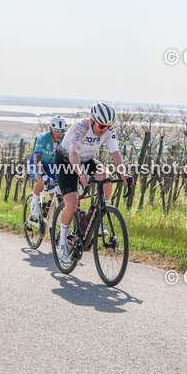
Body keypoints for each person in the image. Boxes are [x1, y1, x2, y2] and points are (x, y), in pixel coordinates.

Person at [53, 102, 130, 265]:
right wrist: (80, 173)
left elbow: (115, 153)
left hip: (87, 159)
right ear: (93, 120)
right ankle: (62, 243)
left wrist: (123, 173)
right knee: (72, 204)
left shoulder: (108, 130)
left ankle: (100, 215)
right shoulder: (80, 127)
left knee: (107, 177)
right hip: (66, 161)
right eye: (101, 125)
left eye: (108, 126)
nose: (104, 129)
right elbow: (73, 155)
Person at [27, 116, 66, 219]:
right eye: (56, 130)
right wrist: (41, 174)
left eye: (62, 131)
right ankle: (34, 202)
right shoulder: (43, 138)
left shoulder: (65, 139)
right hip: (36, 163)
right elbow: (37, 158)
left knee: (56, 189)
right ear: (50, 129)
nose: (59, 133)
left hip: (52, 166)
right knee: (41, 180)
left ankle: (49, 208)